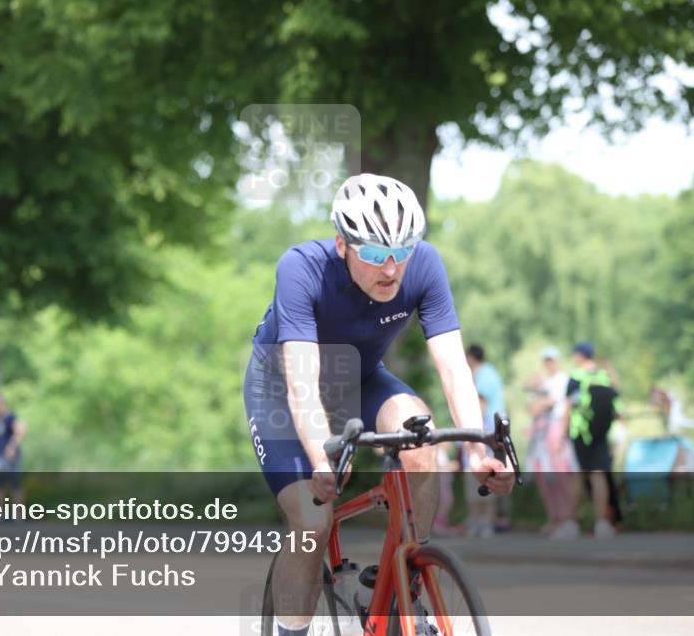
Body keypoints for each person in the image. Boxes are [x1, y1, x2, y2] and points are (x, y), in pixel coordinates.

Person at [244, 173, 515, 636]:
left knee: (420, 437)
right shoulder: (301, 269)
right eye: (373, 254)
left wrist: (477, 451)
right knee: (312, 521)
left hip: (362, 378)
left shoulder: (425, 265)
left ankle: (405, 591)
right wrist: (321, 458)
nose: (390, 268)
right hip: (281, 387)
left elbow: (454, 367)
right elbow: (302, 382)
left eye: (402, 251)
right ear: (342, 245)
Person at [554, 342, 619, 538]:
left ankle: (571, 523)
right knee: (598, 475)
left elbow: (569, 407)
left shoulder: (576, 376)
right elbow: (616, 405)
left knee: (578, 475)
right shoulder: (604, 375)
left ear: (580, 356)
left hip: (580, 432)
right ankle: (601, 523)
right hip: (601, 433)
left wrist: (561, 434)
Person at [525, 347, 578, 538]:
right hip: (541, 435)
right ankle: (554, 518)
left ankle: (566, 519)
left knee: (559, 477)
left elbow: (556, 403)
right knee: (545, 479)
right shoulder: (546, 382)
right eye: (546, 360)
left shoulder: (563, 380)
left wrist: (541, 402)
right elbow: (533, 407)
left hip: (555, 430)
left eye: (552, 360)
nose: (549, 364)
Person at [465, 344, 510, 536]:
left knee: (484, 478)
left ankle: (484, 522)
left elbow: (480, 402)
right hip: (492, 433)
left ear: (471, 357)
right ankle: (480, 522)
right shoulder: (491, 373)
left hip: (485, 433)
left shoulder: (482, 375)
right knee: (486, 479)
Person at [0, 392, 27, 507]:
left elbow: (22, 430)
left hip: (10, 458)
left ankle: (19, 513)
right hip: (0, 457)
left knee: (15, 485)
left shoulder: (10, 417)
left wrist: (12, 446)